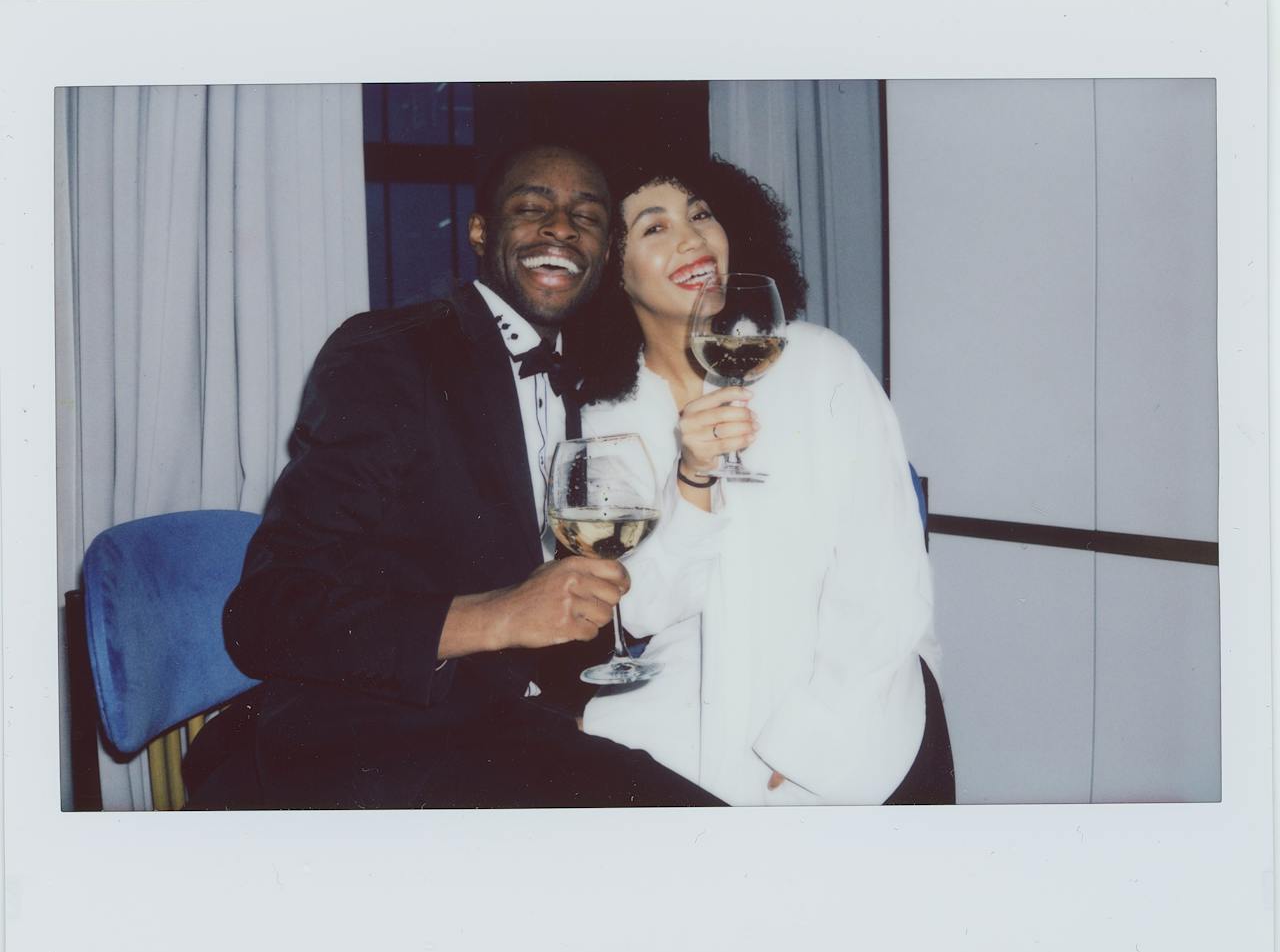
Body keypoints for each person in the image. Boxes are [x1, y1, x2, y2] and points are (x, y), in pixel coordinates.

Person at [184, 144, 724, 809]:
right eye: (532, 209)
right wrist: (498, 616)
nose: (560, 228)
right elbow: (266, 615)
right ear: (479, 232)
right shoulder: (392, 354)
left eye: (585, 217)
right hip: (378, 746)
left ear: (605, 252)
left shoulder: (592, 381)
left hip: (522, 725)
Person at [570, 155, 955, 806]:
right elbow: (639, 611)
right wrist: (690, 479)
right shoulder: (606, 414)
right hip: (687, 707)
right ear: (613, 268)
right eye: (654, 228)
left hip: (855, 700)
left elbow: (887, 581)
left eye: (701, 213)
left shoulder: (816, 364)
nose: (692, 238)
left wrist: (816, 732)